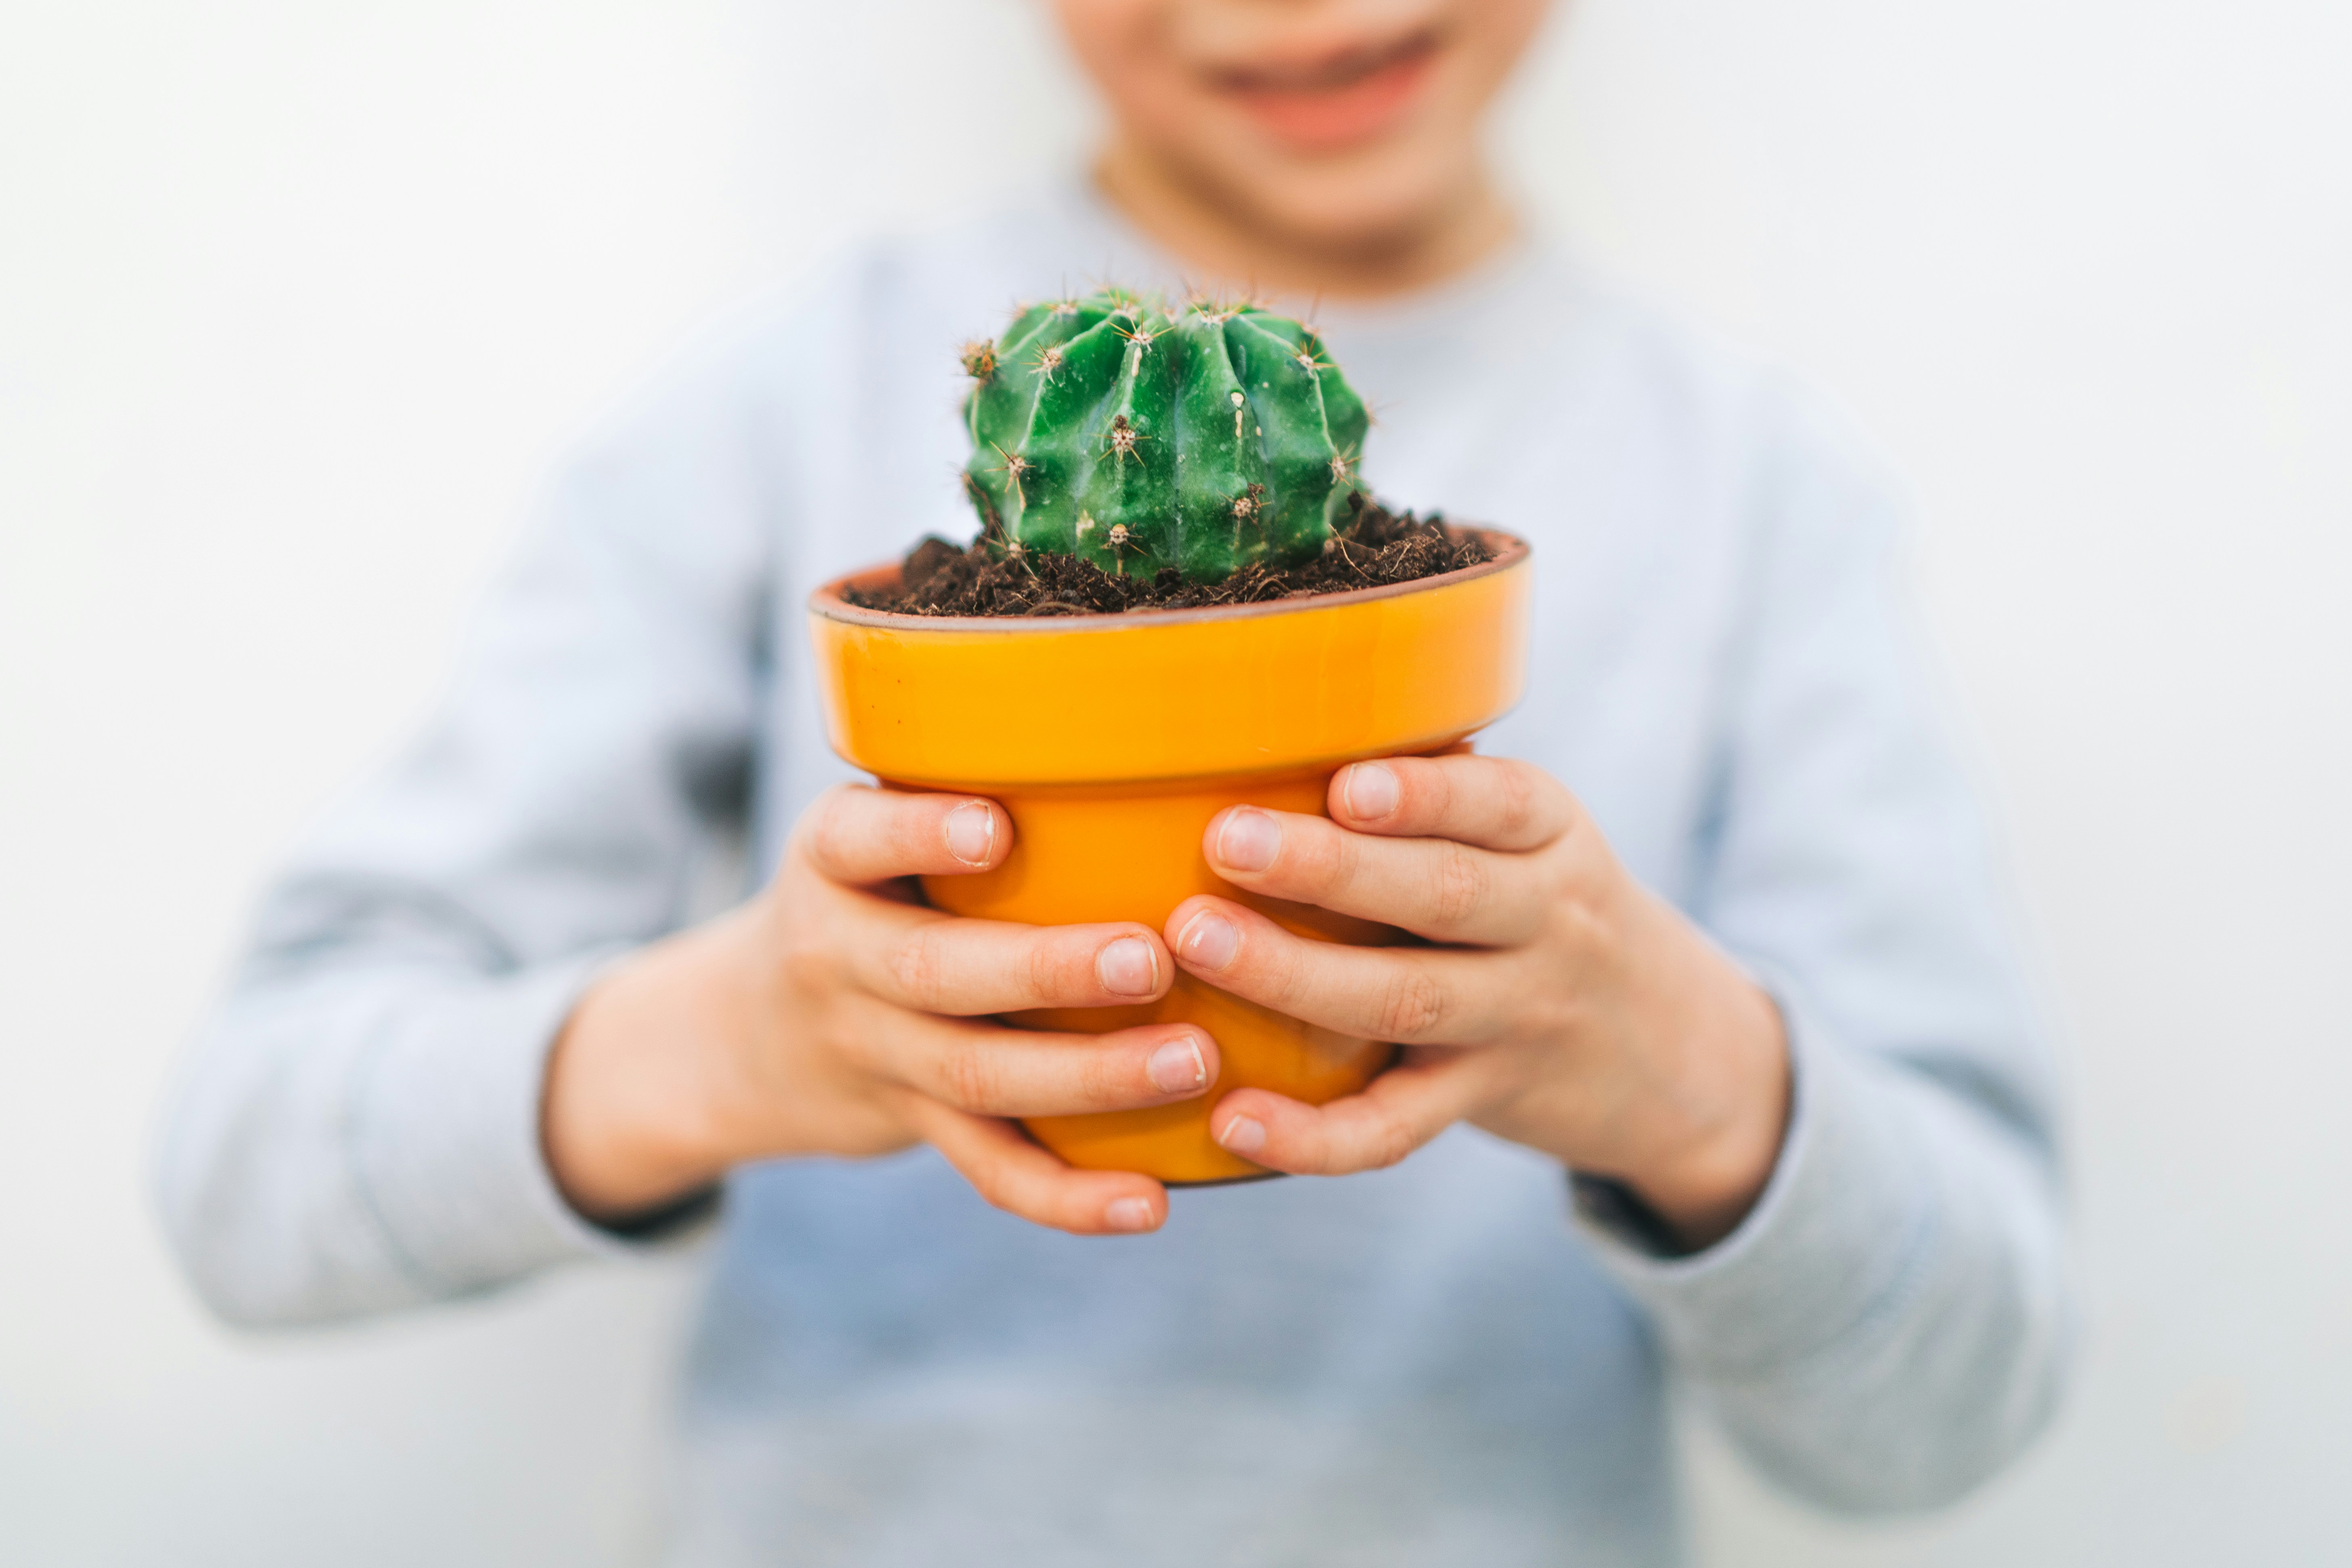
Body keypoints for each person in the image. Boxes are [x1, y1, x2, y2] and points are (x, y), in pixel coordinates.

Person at [155, 1, 2072, 1562]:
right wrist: (736, 1039)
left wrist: (1689, 1074)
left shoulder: (1754, 493)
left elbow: (1957, 1404)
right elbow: (244, 1172)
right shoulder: (776, 408)